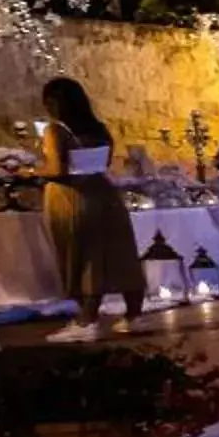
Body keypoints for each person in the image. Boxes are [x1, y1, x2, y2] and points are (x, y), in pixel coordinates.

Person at [36, 76, 146, 341]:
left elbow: (56, 169)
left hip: (71, 196)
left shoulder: (55, 130)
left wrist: (30, 171)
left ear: (52, 102)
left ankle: (87, 320)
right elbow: (105, 161)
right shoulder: (100, 129)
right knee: (120, 253)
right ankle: (133, 316)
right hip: (105, 193)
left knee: (83, 256)